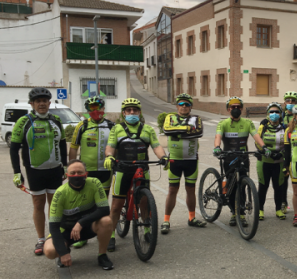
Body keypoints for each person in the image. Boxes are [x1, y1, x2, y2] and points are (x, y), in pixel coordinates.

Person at [104, 98, 169, 252]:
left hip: (142, 169)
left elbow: (156, 146)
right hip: (123, 170)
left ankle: (146, 230)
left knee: (144, 201)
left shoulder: (148, 129)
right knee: (116, 205)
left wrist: (163, 157)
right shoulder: (117, 129)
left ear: (139, 112)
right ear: (124, 113)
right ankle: (110, 235)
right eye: (129, 110)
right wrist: (109, 156)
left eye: (135, 110)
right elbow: (110, 147)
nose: (132, 112)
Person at [10, 87, 67, 255]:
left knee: (55, 205)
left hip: (55, 170)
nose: (41, 104)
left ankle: (53, 235)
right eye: (38, 101)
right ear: (32, 104)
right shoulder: (24, 121)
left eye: (44, 101)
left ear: (49, 103)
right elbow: (14, 148)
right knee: (38, 204)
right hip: (35, 170)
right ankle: (41, 239)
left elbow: (62, 144)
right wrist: (17, 172)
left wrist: (65, 165)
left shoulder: (56, 120)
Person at [43, 159, 114, 270]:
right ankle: (65, 248)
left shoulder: (95, 183)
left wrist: (80, 223)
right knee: (49, 251)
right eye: (73, 173)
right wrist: (63, 252)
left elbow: (104, 210)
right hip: (66, 231)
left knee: (107, 221)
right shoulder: (60, 193)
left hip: (88, 227)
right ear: (67, 176)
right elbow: (54, 226)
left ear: (86, 174)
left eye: (80, 172)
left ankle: (102, 255)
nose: (76, 175)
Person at [214, 97, 270, 226]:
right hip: (229, 158)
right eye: (233, 107)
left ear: (241, 109)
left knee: (243, 185)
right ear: (228, 109)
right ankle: (234, 213)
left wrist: (264, 147)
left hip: (243, 158)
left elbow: (256, 136)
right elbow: (218, 136)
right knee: (232, 186)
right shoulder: (223, 123)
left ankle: (242, 213)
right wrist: (217, 147)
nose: (236, 109)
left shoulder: (247, 123)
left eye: (238, 107)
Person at [68, 96, 115, 248]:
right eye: (91, 108)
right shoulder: (82, 126)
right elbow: (74, 148)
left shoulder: (111, 126)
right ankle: (83, 235)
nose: (95, 110)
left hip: (105, 170)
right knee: (84, 203)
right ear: (87, 110)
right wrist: (71, 168)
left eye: (98, 107)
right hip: (86, 172)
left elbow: (116, 147)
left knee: (103, 202)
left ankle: (109, 233)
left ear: (103, 108)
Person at [162, 93, 204, 233]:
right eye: (181, 104)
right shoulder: (170, 117)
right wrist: (187, 129)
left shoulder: (196, 119)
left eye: (187, 104)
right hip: (175, 159)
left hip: (191, 160)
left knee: (190, 189)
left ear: (190, 107)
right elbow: (166, 130)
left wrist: (177, 132)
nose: (184, 106)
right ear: (177, 106)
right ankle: (166, 220)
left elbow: (198, 133)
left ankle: (191, 218)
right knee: (172, 190)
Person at [254, 102, 287, 220]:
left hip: (279, 162)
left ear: (281, 114)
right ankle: (260, 210)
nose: (274, 114)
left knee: (278, 187)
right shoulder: (263, 127)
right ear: (267, 114)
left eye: (277, 112)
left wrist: (281, 154)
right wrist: (265, 151)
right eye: (271, 112)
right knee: (263, 186)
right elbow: (257, 142)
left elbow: (288, 145)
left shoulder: (284, 128)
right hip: (264, 161)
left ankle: (278, 209)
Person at [282, 91, 297, 213]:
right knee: (283, 181)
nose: (290, 103)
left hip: (296, 153)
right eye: (288, 101)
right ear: (284, 103)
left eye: (293, 101)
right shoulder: (280, 116)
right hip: (283, 153)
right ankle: (283, 202)